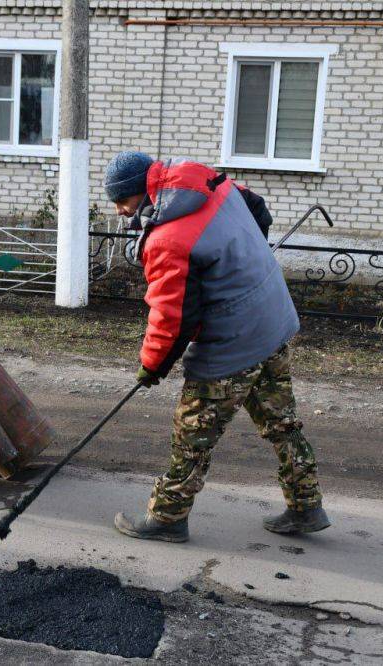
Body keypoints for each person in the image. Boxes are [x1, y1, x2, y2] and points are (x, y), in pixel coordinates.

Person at [104, 151, 329, 541]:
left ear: (140, 193)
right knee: (281, 423)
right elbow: (257, 209)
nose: (121, 212)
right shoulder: (206, 182)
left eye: (121, 201)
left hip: (234, 340)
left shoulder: (168, 238)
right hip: (271, 317)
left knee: (192, 434)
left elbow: (173, 318)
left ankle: (168, 518)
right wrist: (240, 268)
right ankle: (306, 505)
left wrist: (151, 367)